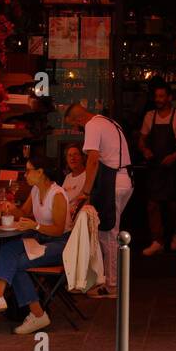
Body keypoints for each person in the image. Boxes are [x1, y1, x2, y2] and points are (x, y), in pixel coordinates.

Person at [0, 156, 70, 333]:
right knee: (8, 249)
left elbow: (59, 229)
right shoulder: (36, 191)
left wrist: (35, 225)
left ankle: (37, 315)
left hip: (60, 244)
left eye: (28, 170)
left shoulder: (57, 194)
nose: (25, 174)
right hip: (41, 238)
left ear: (40, 172)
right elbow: (24, 212)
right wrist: (11, 208)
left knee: (17, 264)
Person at [66, 102, 133, 299]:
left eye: (74, 125)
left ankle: (112, 286)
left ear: (79, 119)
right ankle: (109, 281)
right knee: (108, 231)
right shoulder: (109, 122)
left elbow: (93, 159)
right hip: (124, 179)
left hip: (114, 182)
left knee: (108, 233)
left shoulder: (93, 125)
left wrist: (86, 191)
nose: (76, 130)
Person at [138, 81, 176, 256]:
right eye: (156, 96)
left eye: (162, 96)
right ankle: (157, 241)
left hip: (173, 168)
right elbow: (142, 140)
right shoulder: (149, 116)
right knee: (152, 205)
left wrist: (174, 156)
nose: (158, 100)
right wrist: (145, 150)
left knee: (174, 205)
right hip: (155, 168)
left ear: (169, 97)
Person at [62, 144, 88, 223]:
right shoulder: (68, 177)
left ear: (82, 158)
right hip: (65, 217)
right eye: (69, 155)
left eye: (75, 154)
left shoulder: (88, 175)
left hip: (79, 218)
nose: (72, 158)